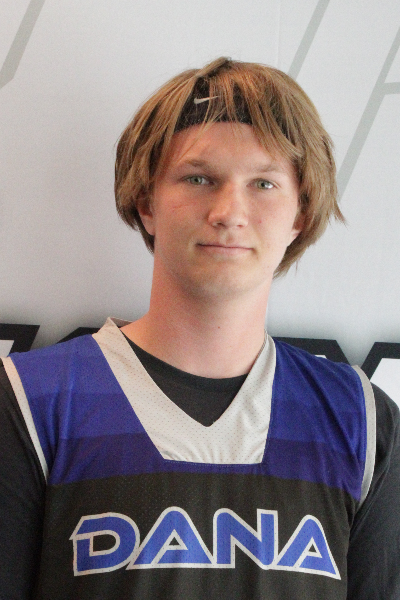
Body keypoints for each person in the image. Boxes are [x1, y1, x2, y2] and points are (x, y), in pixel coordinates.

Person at [0, 57, 399, 599]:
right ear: (146, 201)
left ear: (301, 213)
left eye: (263, 182)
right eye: (198, 178)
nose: (229, 212)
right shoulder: (29, 401)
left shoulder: (361, 420)